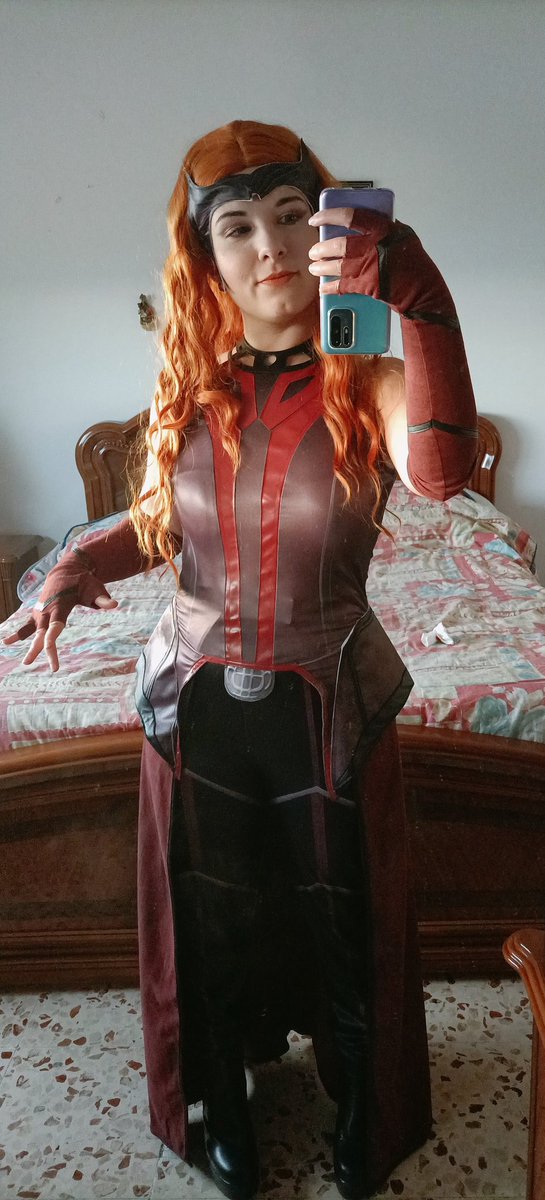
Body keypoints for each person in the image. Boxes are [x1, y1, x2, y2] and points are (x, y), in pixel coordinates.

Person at [5, 120, 478, 1200]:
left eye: (291, 215)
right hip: (192, 702)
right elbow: (158, 528)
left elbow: (445, 473)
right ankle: (219, 1104)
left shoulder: (372, 384)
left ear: (331, 231)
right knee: (208, 923)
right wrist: (81, 563)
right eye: (237, 227)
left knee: (345, 919)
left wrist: (418, 295)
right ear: (205, 256)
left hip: (331, 700)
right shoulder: (192, 391)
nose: (270, 245)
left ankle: (361, 1108)